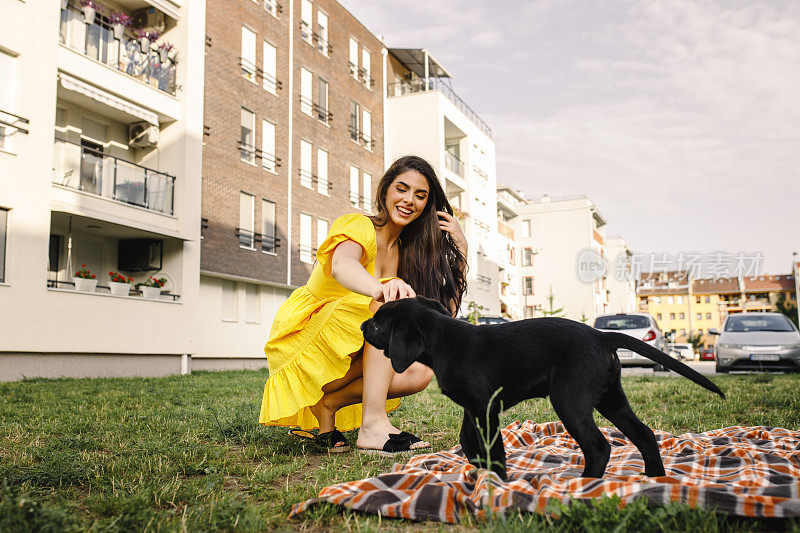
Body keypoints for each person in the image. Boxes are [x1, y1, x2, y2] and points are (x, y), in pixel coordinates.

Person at [259, 155, 468, 453]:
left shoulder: (407, 253)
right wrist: (380, 288)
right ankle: (372, 425)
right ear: (385, 191)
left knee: (421, 365)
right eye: (402, 189)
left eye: (420, 196)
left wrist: (461, 254)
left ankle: (328, 405)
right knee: (385, 311)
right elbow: (342, 266)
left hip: (350, 353)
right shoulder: (359, 226)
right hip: (309, 346)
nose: (409, 200)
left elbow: (441, 316)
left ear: (428, 205)